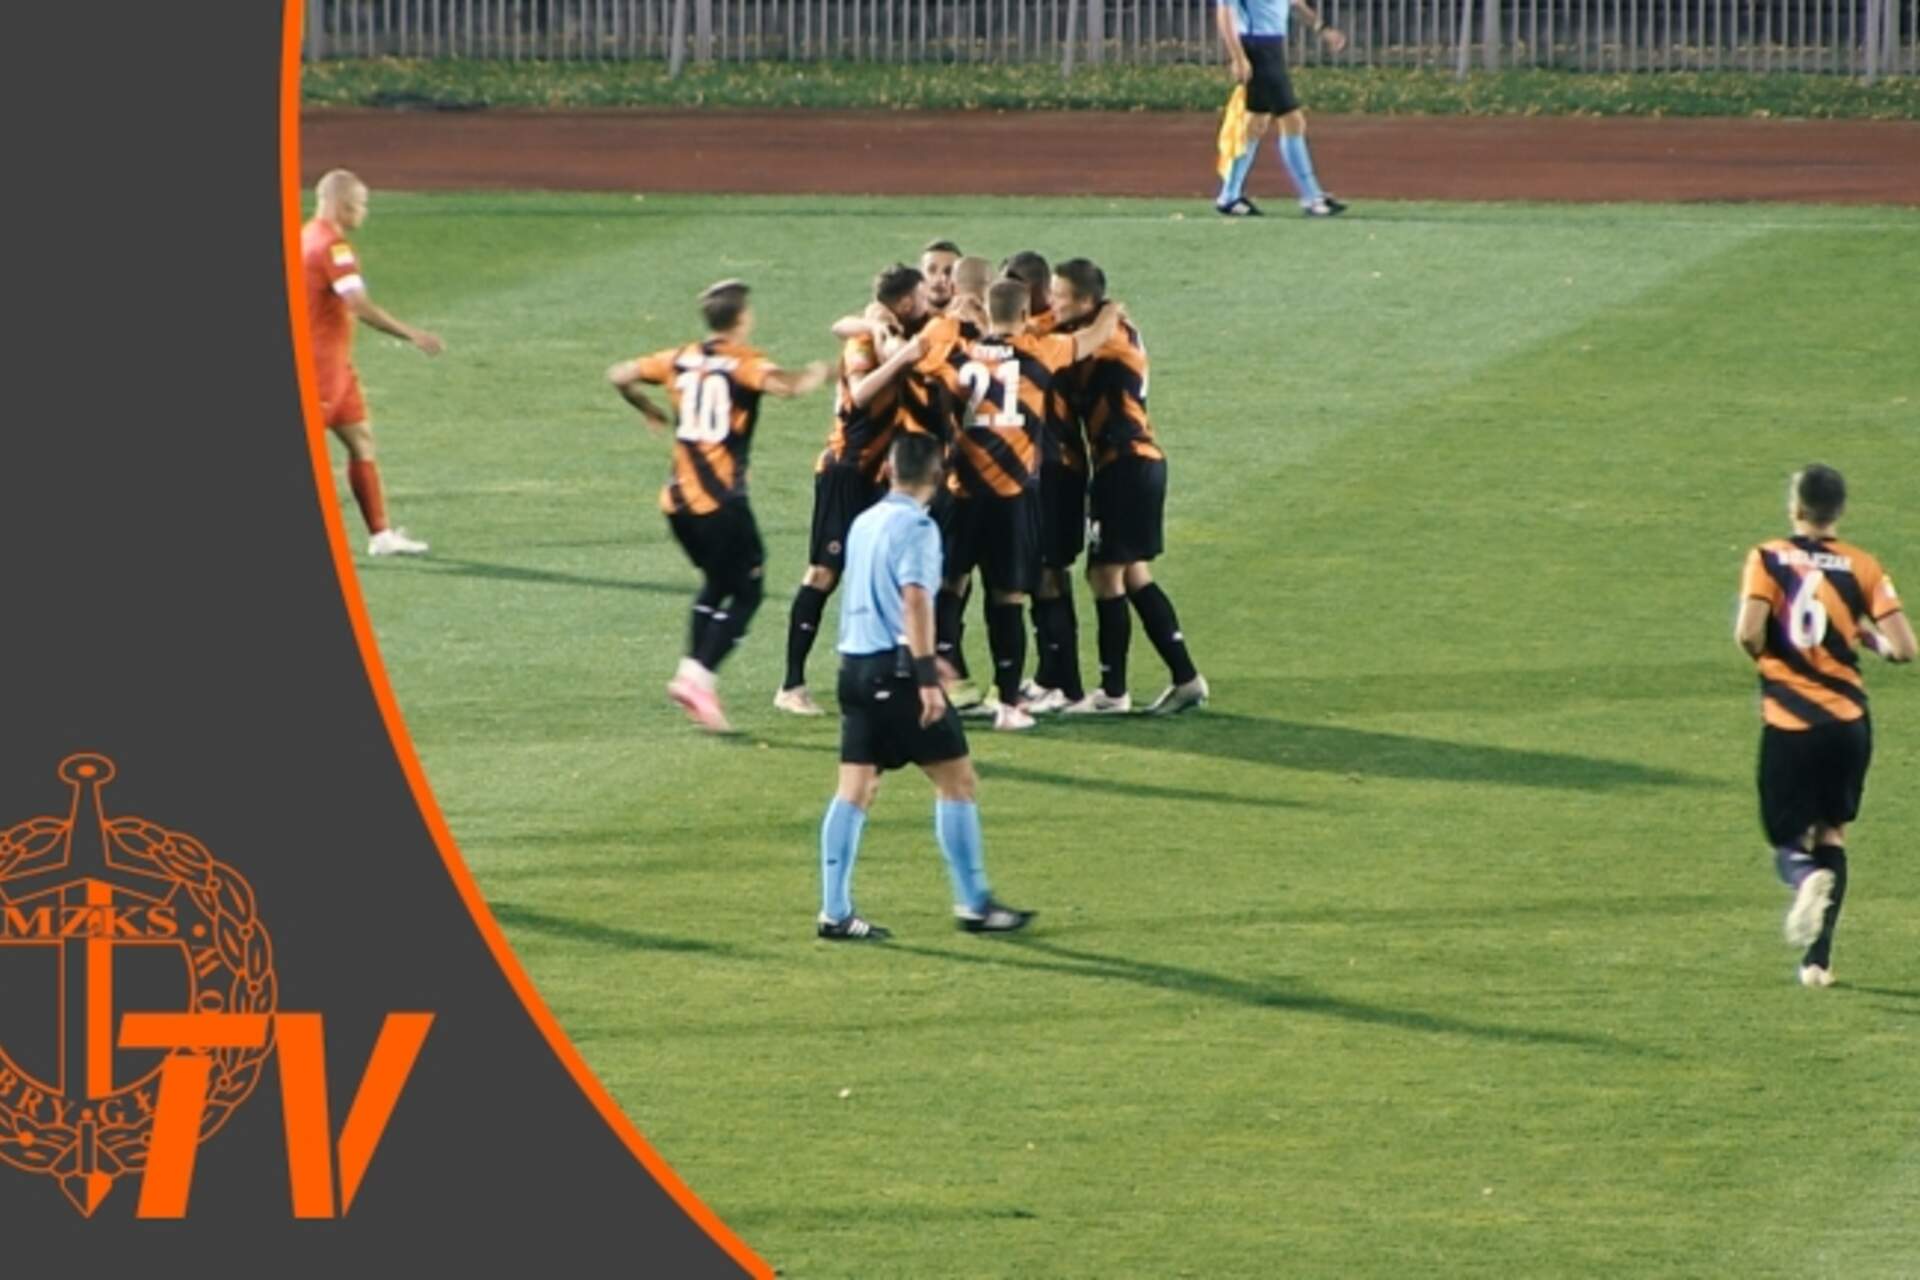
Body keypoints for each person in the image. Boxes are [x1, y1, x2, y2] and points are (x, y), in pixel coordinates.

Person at [857, 280, 1124, 730]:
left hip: (961, 492)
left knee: (947, 586)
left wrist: (924, 320)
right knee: (1009, 597)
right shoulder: (1042, 352)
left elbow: (902, 353)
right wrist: (1112, 308)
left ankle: (936, 686)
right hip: (1012, 496)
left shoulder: (955, 354)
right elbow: (1094, 337)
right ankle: (1009, 704)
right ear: (1023, 315)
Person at [816, 431, 1035, 941]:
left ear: (888, 471)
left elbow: (874, 598)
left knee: (856, 789)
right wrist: (925, 676)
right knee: (957, 781)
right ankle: (975, 904)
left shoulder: (864, 522)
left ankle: (835, 912)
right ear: (938, 476)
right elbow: (914, 599)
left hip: (854, 670)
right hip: (898, 676)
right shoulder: (919, 528)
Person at [607, 279, 828, 733]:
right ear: (742, 319)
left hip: (677, 502)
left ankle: (692, 677)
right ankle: (699, 677)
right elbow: (783, 387)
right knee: (748, 589)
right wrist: (815, 374)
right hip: (720, 502)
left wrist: (647, 408)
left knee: (716, 581)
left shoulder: (679, 358)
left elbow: (620, 375)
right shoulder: (743, 362)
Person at [1734, 464, 1912, 987]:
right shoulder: (1863, 565)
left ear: (1796, 507)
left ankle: (1805, 876)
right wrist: (1867, 638)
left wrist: (1772, 662)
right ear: (1840, 512)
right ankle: (1818, 960)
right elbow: (1905, 648)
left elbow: (1748, 632)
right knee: (1833, 831)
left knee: (1788, 840)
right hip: (1848, 724)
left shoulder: (1768, 557)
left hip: (1790, 722)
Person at [1049, 259, 1208, 715]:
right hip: (1132, 464)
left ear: (1085, 300)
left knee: (1104, 575)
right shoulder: (1108, 327)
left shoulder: (1107, 338)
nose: (1052, 303)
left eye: (1059, 296)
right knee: (1133, 572)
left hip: (1126, 465)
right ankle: (1186, 679)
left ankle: (1112, 692)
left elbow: (1062, 350)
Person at [778, 265, 931, 716]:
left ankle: (890, 678)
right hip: (845, 470)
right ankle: (791, 685)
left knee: (889, 573)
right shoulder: (864, 341)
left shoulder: (891, 327)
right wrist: (899, 356)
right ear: (906, 301)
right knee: (824, 573)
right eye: (922, 295)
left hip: (878, 475)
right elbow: (860, 393)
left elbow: (847, 321)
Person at [300, 169, 444, 556]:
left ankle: (381, 537)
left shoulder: (305, 235)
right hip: (318, 371)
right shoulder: (333, 248)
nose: (364, 212)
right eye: (361, 204)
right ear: (343, 205)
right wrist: (412, 333)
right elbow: (358, 305)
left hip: (337, 369)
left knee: (361, 441)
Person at [1212, 0, 1350, 217]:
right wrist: (1238, 57)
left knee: (1255, 123)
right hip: (1256, 48)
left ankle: (1229, 196)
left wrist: (1323, 29)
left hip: (1271, 48)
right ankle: (1312, 197)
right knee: (1292, 119)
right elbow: (1225, 13)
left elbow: (1295, 3)